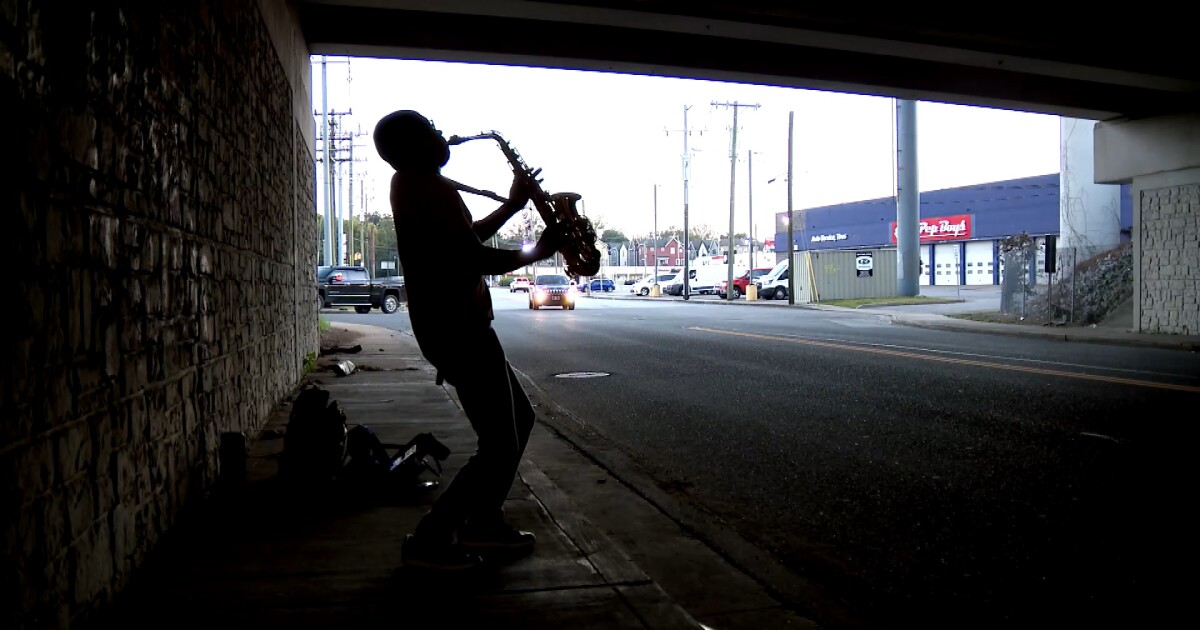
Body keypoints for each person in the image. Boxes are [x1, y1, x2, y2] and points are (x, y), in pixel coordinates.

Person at [373, 110, 566, 570]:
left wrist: (515, 207)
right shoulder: (429, 187)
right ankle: (433, 536)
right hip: (459, 330)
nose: (442, 135)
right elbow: (473, 256)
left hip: (453, 328)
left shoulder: (413, 186)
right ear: (412, 146)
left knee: (518, 419)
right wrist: (539, 249)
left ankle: (483, 520)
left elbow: (465, 238)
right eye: (430, 130)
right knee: (500, 441)